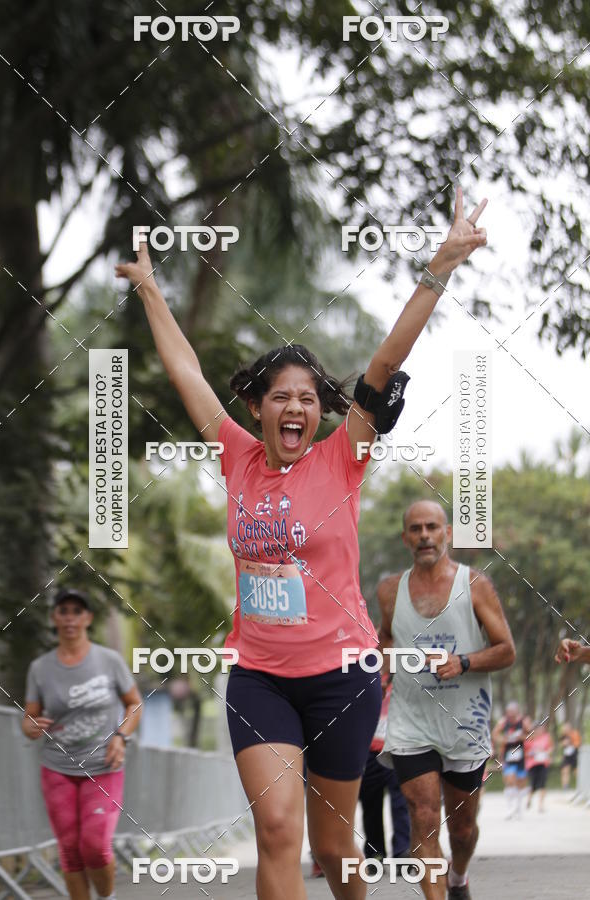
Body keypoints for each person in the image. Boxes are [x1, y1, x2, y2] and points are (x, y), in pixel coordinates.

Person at [115, 187, 487, 899]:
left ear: (322, 412)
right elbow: (186, 372)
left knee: (334, 847)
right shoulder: (235, 455)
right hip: (259, 677)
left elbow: (386, 359)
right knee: (278, 831)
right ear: (257, 407)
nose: (296, 407)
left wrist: (440, 265)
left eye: (309, 398)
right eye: (281, 396)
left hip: (342, 678)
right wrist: (150, 289)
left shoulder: (344, 457)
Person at [377, 500, 515, 900]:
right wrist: (381, 669)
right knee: (422, 817)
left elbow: (506, 650)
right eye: (416, 529)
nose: (424, 536)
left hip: (464, 723)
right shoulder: (390, 590)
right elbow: (386, 636)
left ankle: (458, 877)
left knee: (462, 829)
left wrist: (463, 662)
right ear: (405, 538)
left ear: (447, 533)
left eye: (432, 527)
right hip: (411, 720)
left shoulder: (474, 585)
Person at [22, 589, 142, 900]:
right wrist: (30, 726)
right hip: (57, 768)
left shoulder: (109, 661)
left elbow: (134, 704)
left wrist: (121, 737)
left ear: (88, 618)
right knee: (70, 850)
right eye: (63, 611)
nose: (70, 618)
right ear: (54, 617)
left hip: (102, 765)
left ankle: (107, 896)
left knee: (95, 846)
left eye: (77, 611)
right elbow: (30, 716)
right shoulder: (40, 668)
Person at [358, 676, 411, 867]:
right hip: (369, 750)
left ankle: (402, 851)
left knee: (401, 802)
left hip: (397, 747)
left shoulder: (402, 676)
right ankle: (375, 853)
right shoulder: (363, 676)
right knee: (370, 803)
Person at [492, 702, 529, 820]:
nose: (511, 714)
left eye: (513, 712)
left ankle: (518, 808)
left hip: (522, 756)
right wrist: (504, 739)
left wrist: (520, 737)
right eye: (509, 712)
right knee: (510, 780)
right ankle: (510, 808)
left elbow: (531, 734)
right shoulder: (503, 722)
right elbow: (495, 734)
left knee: (521, 783)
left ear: (517, 711)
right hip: (508, 755)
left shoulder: (523, 722)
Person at [524, 720, 553, 812]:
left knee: (543, 784)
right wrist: (532, 753)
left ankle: (541, 805)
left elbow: (550, 748)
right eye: (538, 729)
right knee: (533, 784)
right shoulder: (529, 738)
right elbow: (525, 752)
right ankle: (529, 799)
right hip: (532, 764)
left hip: (543, 763)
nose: (540, 730)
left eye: (541, 728)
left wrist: (547, 752)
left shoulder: (546, 737)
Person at [559, 721, 581, 789]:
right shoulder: (563, 735)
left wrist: (570, 742)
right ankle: (565, 786)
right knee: (565, 770)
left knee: (576, 771)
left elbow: (578, 744)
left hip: (574, 754)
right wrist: (564, 743)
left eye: (567, 727)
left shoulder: (575, 733)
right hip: (566, 755)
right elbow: (561, 745)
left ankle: (581, 784)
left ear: (570, 727)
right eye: (565, 728)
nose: (566, 729)